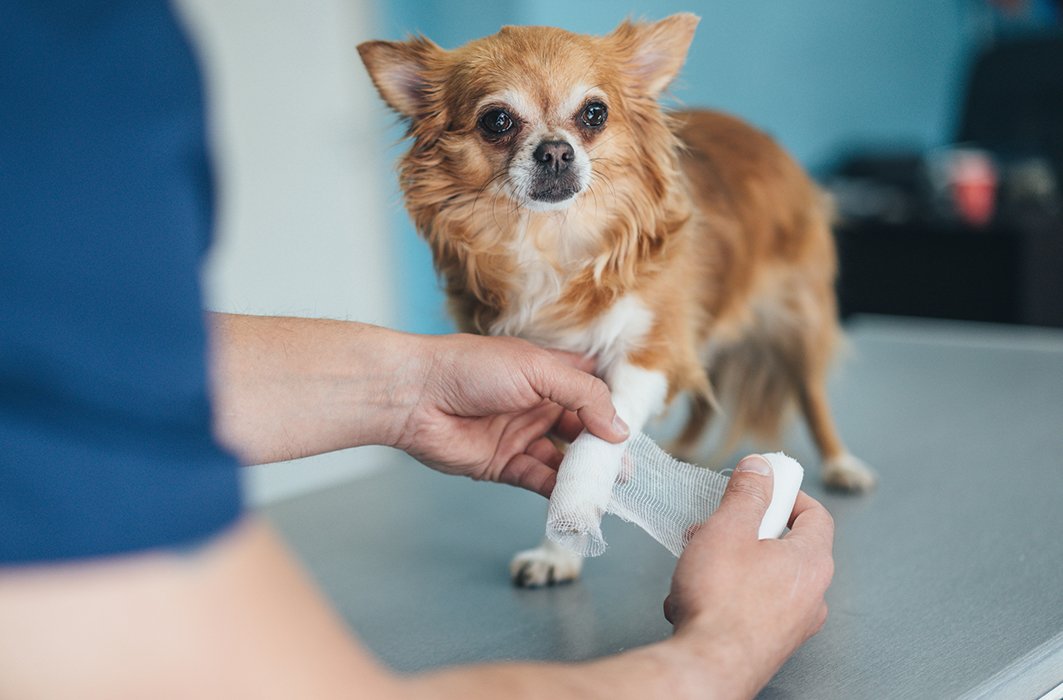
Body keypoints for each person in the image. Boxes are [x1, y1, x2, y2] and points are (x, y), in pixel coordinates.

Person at [0, 2, 834, 699]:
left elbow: (96, 371)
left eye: (586, 117)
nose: (551, 148)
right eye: (500, 123)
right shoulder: (67, 65)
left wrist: (408, 387)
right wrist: (723, 651)